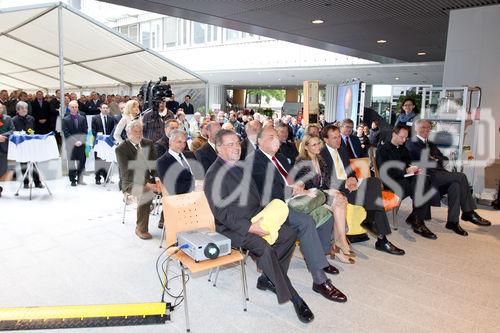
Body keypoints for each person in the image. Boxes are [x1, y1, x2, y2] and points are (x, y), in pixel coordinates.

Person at [204, 129, 315, 323]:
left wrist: (270, 212)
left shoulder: (240, 166)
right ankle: (294, 297)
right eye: (230, 144)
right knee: (263, 248)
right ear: (218, 147)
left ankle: (268, 278)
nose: (237, 147)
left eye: (237, 143)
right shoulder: (213, 175)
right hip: (233, 229)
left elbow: (256, 197)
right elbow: (221, 213)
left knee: (288, 234)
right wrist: (249, 227)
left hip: (257, 217)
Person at [250, 126, 347, 302]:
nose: (276, 140)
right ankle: (319, 280)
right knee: (306, 222)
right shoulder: (255, 162)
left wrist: (300, 186)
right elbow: (267, 193)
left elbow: (294, 178)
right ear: (260, 141)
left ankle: (320, 259)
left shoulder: (279, 157)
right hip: (275, 206)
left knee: (326, 215)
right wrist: (294, 191)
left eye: (276, 136)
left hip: (292, 200)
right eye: (271, 137)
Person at [320, 125, 405, 255]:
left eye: (339, 137)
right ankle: (381, 239)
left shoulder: (342, 150)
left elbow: (350, 171)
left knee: (374, 181)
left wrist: (353, 179)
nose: (338, 140)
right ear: (325, 140)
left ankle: (371, 221)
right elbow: (325, 180)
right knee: (376, 202)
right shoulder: (321, 154)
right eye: (334, 138)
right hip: (338, 190)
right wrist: (346, 183)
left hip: (351, 185)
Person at [406, 119, 491, 234]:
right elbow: (424, 160)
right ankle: (468, 212)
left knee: (455, 185)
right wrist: (435, 159)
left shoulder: (430, 144)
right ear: (416, 129)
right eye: (422, 127)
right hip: (428, 176)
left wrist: (435, 159)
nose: (426, 130)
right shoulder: (412, 142)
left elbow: (443, 159)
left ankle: (452, 222)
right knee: (461, 176)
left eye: (427, 127)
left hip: (439, 174)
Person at [376, 124, 436, 239]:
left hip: (405, 179)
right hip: (392, 182)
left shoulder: (403, 149)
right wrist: (406, 170)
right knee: (420, 186)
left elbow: (409, 163)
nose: (404, 140)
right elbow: (385, 171)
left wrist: (415, 168)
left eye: (406, 138)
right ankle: (417, 220)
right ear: (394, 134)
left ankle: (417, 218)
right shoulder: (382, 149)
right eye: (402, 137)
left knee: (423, 179)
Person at [116, 120, 159, 240]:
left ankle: (164, 221)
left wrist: (157, 179)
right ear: (128, 133)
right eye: (135, 132)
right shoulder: (121, 149)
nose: (139, 134)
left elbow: (154, 164)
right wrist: (147, 184)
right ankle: (141, 228)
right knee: (146, 193)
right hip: (130, 182)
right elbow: (128, 172)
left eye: (140, 131)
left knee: (170, 186)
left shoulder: (148, 143)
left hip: (149, 179)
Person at [12, 101, 43, 189]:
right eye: (22, 108)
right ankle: (26, 182)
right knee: (23, 164)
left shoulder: (31, 118)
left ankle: (37, 182)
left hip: (31, 144)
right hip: (21, 145)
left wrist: (31, 133)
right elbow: (14, 132)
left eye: (26, 108)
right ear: (17, 110)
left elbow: (33, 130)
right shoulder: (14, 120)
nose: (24, 110)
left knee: (34, 163)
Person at [156, 129, 195, 195]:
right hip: (181, 199)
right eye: (179, 142)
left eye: (184, 142)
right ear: (170, 142)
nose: (182, 146)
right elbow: (172, 187)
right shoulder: (162, 162)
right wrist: (195, 184)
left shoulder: (190, 155)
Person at [62, 101, 88, 186]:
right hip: (70, 144)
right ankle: (73, 180)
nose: (74, 108)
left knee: (82, 161)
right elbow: (66, 133)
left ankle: (80, 179)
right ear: (69, 108)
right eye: (72, 107)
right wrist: (75, 141)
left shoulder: (82, 118)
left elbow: (85, 131)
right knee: (71, 162)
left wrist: (81, 141)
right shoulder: (65, 119)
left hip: (81, 143)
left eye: (76, 107)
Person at [91, 104, 116, 185]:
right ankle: (97, 178)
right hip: (99, 142)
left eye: (106, 108)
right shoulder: (95, 118)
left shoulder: (111, 118)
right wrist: (98, 135)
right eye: (103, 108)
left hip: (108, 142)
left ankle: (106, 177)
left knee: (107, 160)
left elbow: (113, 130)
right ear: (100, 109)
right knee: (98, 160)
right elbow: (93, 131)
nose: (105, 109)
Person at [0, 103, 14, 197]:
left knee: (2, 169)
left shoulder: (8, 118)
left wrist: (2, 136)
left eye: (0, 107)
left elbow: (12, 130)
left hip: (4, 148)